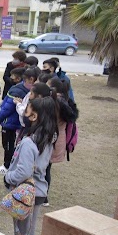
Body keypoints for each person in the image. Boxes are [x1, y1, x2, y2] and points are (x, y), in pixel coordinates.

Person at [4, 97, 57, 235]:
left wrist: (8, 177)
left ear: (34, 117)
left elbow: (23, 172)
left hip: (25, 194)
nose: (23, 113)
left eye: (26, 110)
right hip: (39, 190)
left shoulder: (29, 142)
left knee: (21, 234)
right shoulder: (48, 137)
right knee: (29, 232)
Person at [45, 77, 79, 206]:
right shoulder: (67, 102)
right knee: (47, 168)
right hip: (60, 138)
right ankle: (44, 196)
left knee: (43, 169)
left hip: (50, 138)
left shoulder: (54, 103)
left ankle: (42, 196)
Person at [0, 67, 31, 175]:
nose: (11, 78)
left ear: (19, 78)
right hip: (15, 122)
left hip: (10, 123)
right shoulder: (22, 89)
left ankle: (7, 166)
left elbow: (7, 108)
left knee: (8, 144)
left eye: (13, 76)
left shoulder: (16, 90)